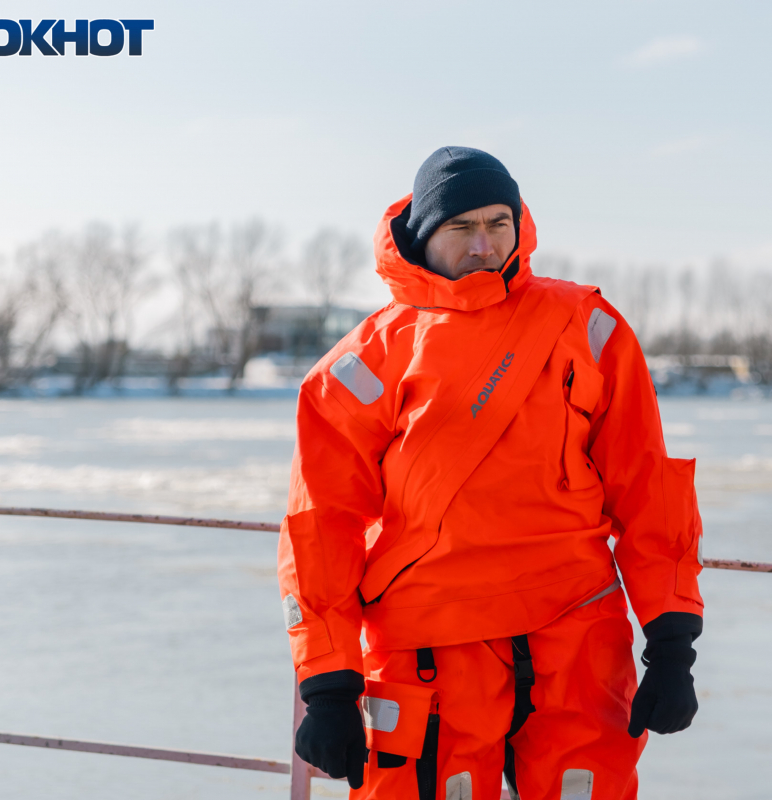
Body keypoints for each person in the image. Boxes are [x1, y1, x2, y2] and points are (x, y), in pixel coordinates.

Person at [278, 146, 704, 800]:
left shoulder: (586, 326)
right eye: (462, 227)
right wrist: (328, 684)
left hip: (576, 635)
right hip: (429, 647)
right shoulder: (361, 366)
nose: (484, 244)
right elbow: (321, 529)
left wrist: (671, 642)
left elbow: (647, 489)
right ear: (424, 235)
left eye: (498, 223)